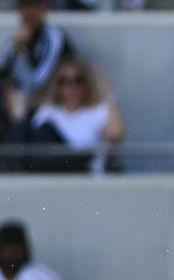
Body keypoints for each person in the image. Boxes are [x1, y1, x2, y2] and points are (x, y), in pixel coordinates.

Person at [27, 57, 125, 174]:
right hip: (53, 177)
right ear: (58, 86)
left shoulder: (97, 111)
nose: (71, 87)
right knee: (40, 130)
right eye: (64, 81)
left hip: (84, 176)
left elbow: (116, 134)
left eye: (78, 80)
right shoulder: (49, 111)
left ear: (87, 83)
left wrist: (103, 85)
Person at [0, 0, 71, 140]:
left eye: (34, 5)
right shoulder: (15, 41)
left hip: (49, 103)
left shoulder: (53, 37)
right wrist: (16, 47)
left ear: (43, 9)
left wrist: (23, 52)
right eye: (25, 6)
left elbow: (39, 81)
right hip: (15, 105)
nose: (29, 12)